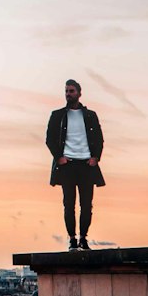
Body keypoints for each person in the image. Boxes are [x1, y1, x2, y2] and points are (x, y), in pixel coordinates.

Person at [46, 79, 105, 249]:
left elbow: (99, 139)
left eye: (71, 91)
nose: (68, 94)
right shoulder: (57, 115)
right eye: (66, 91)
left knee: (87, 205)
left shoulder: (90, 115)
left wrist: (95, 157)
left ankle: (83, 238)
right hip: (67, 166)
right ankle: (72, 238)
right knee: (68, 204)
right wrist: (59, 158)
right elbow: (50, 139)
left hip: (87, 165)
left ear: (79, 93)